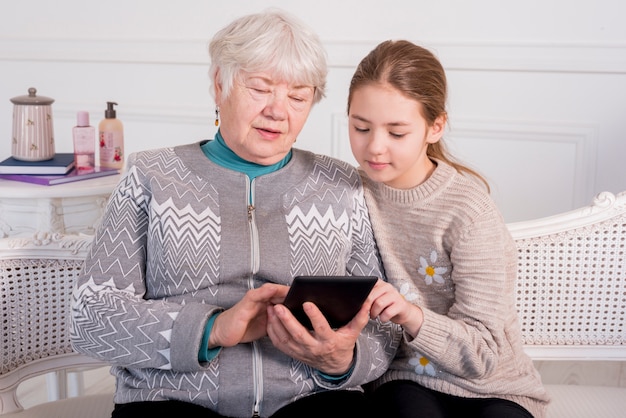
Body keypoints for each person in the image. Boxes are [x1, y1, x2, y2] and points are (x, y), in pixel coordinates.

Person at [70, 11, 401, 418]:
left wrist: (343, 361)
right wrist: (211, 329)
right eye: (260, 89)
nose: (279, 111)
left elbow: (385, 323)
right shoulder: (151, 177)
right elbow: (91, 316)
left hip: (311, 398)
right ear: (218, 84)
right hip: (172, 400)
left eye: (298, 97)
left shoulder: (342, 185)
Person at [346, 39, 550, 418]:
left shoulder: (468, 211)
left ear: (435, 127)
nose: (374, 147)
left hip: (492, 385)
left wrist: (410, 314)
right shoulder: (347, 193)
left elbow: (484, 353)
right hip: (404, 380)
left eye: (396, 132)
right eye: (361, 127)